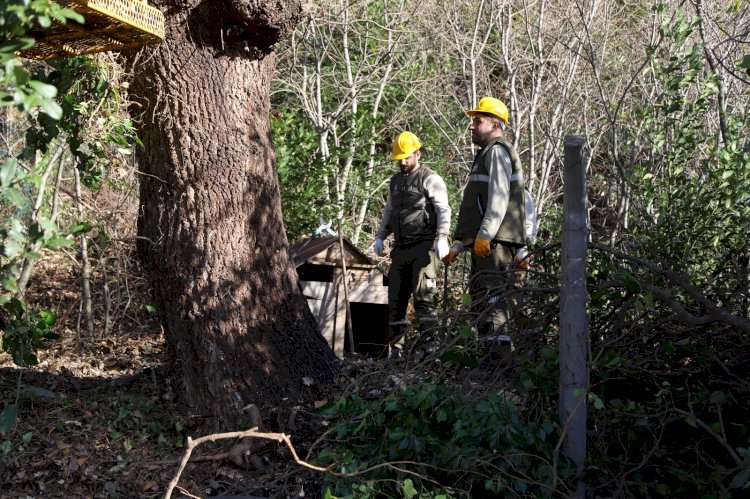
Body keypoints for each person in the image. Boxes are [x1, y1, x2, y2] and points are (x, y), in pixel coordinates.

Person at [443, 97, 526, 359]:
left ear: (495, 124)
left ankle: (499, 361)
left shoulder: (498, 151)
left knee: (492, 298)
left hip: (495, 243)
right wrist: (460, 244)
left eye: (478, 121)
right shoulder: (486, 154)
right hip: (486, 242)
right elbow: (478, 205)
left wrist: (486, 235)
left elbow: (499, 198)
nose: (472, 126)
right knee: (482, 300)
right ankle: (490, 358)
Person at [374, 131, 451, 359]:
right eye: (399, 158)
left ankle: (430, 352)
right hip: (401, 247)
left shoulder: (430, 178)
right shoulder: (395, 182)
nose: (402, 162)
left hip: (424, 247)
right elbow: (390, 210)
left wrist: (442, 237)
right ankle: (396, 352)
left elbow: (443, 209)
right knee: (395, 300)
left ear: (418, 154)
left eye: (406, 157)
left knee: (423, 299)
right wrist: (380, 235)